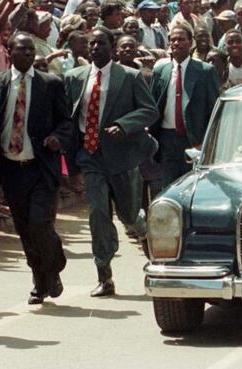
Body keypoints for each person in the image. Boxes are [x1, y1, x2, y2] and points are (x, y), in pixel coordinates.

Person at [63, 26, 158, 296]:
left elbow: (149, 110)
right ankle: (104, 275)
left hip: (122, 158)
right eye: (91, 43)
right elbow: (68, 117)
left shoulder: (128, 76)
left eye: (101, 43)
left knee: (129, 215)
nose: (95, 48)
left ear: (112, 46)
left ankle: (150, 244)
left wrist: (124, 124)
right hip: (91, 155)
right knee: (98, 214)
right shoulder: (74, 77)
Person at [0, 33, 72, 304]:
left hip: (40, 167)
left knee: (40, 223)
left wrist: (57, 137)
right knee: (23, 228)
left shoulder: (50, 84)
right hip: (11, 168)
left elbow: (65, 122)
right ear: (9, 52)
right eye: (23, 49)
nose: (29, 54)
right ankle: (39, 278)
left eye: (32, 50)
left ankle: (53, 267)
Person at [150, 24, 218, 188]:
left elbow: (213, 110)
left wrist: (206, 141)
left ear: (191, 43)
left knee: (192, 186)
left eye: (181, 39)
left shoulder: (205, 71)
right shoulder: (161, 72)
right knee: (169, 186)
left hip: (194, 139)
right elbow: (153, 105)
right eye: (172, 40)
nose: (176, 43)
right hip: (167, 139)